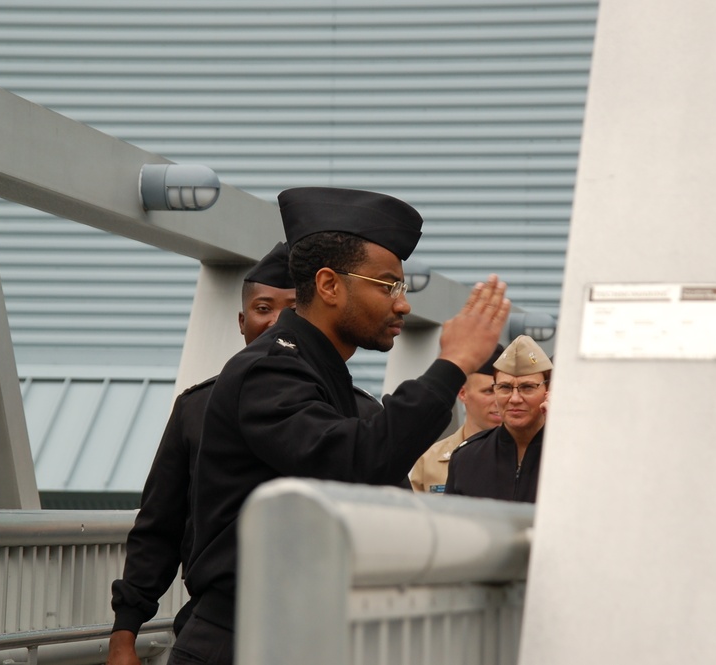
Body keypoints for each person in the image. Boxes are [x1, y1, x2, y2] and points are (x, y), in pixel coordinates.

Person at [171, 187, 510, 665]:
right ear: (329, 285)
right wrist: (453, 363)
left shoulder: (317, 371)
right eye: (387, 285)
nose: (402, 305)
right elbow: (354, 459)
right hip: (244, 640)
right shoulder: (269, 370)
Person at [108, 242, 377, 665]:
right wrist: (125, 634)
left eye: (289, 310)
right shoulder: (196, 407)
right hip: (219, 628)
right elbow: (159, 526)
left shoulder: (361, 415)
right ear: (241, 320)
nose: (275, 322)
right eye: (263, 308)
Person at [444, 334, 552, 503]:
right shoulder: (467, 457)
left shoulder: (569, 454)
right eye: (505, 387)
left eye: (528, 387)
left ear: (548, 390)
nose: (515, 398)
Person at [409, 343, 504, 493]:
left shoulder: (527, 455)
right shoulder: (430, 461)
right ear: (462, 394)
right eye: (488, 391)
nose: (499, 400)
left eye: (504, 390)